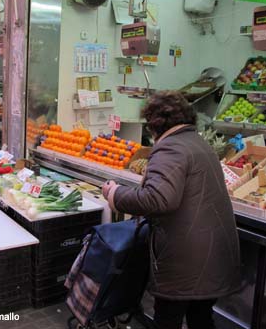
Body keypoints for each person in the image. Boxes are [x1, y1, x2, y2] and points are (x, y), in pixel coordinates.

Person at [102, 91, 241, 329]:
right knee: (201, 317)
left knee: (168, 320)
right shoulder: (199, 143)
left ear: (154, 123)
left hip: (185, 260)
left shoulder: (170, 148)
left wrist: (115, 194)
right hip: (213, 254)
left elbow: (158, 199)